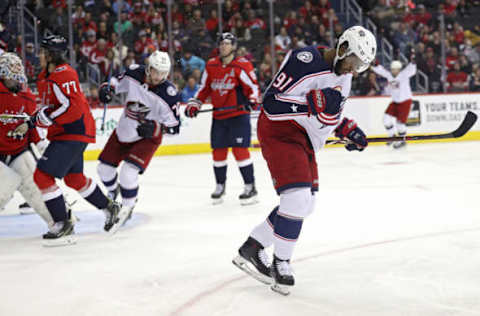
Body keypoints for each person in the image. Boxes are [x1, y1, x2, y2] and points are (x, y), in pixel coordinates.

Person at [231, 26, 375, 295]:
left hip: (305, 138)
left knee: (305, 205)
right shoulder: (303, 61)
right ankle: (281, 263)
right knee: (296, 199)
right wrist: (310, 105)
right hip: (279, 131)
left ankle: (252, 248)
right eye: (354, 62)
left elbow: (330, 113)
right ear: (343, 48)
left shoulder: (344, 76)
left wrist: (347, 130)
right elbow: (271, 104)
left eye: (361, 67)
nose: (354, 71)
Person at [12, 35, 121, 246]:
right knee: (74, 179)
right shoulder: (47, 76)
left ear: (52, 55)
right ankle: (110, 208)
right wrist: (37, 118)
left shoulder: (64, 74)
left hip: (73, 131)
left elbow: (71, 107)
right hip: (67, 132)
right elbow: (54, 107)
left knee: (42, 176)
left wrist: (45, 117)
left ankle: (63, 223)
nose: (39, 55)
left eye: (43, 52)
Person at [97, 50, 181, 229]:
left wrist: (157, 127)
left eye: (163, 73)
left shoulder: (169, 94)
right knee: (103, 170)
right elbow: (115, 82)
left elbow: (175, 128)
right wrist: (107, 89)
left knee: (128, 173)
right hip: (124, 130)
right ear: (148, 68)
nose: (159, 76)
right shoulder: (135, 73)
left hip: (147, 139)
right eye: (156, 71)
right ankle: (113, 193)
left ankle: (127, 207)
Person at [184, 33, 260, 205]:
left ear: (233, 46)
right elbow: (204, 88)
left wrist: (253, 101)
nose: (223, 46)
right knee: (218, 153)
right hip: (219, 116)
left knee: (240, 151)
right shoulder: (211, 65)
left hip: (238, 116)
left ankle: (250, 187)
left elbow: (253, 88)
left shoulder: (241, 66)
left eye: (227, 43)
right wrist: (195, 103)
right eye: (221, 43)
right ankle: (220, 185)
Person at [0, 52, 54, 229]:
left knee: (36, 188)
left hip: (17, 150)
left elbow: (32, 125)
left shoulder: (27, 96)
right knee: (6, 184)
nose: (18, 81)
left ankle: (59, 221)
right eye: (13, 76)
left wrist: (41, 144)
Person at [372, 54, 416, 149]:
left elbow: (411, 70)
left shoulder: (404, 75)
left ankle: (402, 141)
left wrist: (413, 62)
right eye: (392, 69)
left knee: (400, 124)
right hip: (395, 102)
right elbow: (382, 71)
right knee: (386, 119)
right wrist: (375, 64)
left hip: (405, 102)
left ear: (399, 69)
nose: (393, 71)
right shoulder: (389, 76)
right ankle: (392, 136)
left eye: (395, 69)